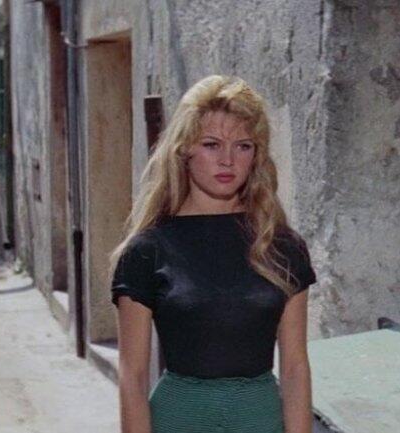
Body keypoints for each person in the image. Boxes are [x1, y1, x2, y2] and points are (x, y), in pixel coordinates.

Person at [109, 74, 317, 433]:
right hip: (177, 422)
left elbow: (296, 369)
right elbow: (132, 375)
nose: (227, 160)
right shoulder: (146, 251)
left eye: (243, 146)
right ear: (184, 150)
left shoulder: (283, 247)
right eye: (211, 145)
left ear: (256, 156)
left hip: (261, 421)